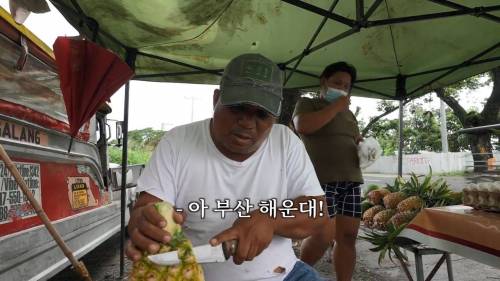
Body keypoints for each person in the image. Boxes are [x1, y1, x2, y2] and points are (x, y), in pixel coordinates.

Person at [126, 53, 328, 281]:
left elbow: (317, 211)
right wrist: (144, 222)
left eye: (261, 114)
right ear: (216, 99)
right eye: (237, 108)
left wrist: (272, 219)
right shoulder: (178, 141)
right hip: (197, 275)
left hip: (284, 274)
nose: (247, 123)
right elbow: (148, 207)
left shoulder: (285, 141)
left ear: (274, 116)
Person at [292, 62, 363, 281]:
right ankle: (296, 274)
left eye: (346, 85)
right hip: (320, 181)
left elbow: (353, 140)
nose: (342, 88)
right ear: (324, 81)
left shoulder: (349, 115)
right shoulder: (308, 104)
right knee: (322, 235)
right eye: (337, 83)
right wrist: (336, 106)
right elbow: (303, 126)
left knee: (348, 237)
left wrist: (362, 145)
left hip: (350, 179)